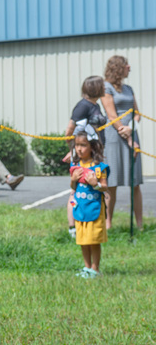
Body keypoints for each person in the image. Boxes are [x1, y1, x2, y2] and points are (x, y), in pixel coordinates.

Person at [100, 55, 144, 230]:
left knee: (136, 182)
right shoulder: (106, 87)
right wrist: (128, 136)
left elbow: (137, 113)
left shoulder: (129, 88)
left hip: (130, 135)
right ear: (118, 68)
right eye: (126, 64)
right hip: (113, 138)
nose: (129, 67)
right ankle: (108, 224)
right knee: (112, 182)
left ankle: (140, 225)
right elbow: (111, 115)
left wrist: (131, 127)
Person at [64, 75, 107, 237]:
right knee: (76, 188)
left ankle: (91, 222)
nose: (104, 88)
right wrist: (73, 150)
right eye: (102, 86)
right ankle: (72, 227)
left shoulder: (94, 105)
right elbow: (69, 131)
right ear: (95, 88)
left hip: (95, 154)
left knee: (93, 187)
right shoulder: (82, 106)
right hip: (81, 156)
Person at [69, 127, 109, 278]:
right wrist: (73, 180)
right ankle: (86, 268)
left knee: (94, 240)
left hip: (95, 209)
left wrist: (95, 183)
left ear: (92, 147)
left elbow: (104, 187)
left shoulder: (99, 167)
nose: (79, 149)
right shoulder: (75, 166)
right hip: (80, 208)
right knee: (83, 240)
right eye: (77, 145)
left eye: (83, 145)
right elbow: (73, 187)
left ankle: (95, 269)